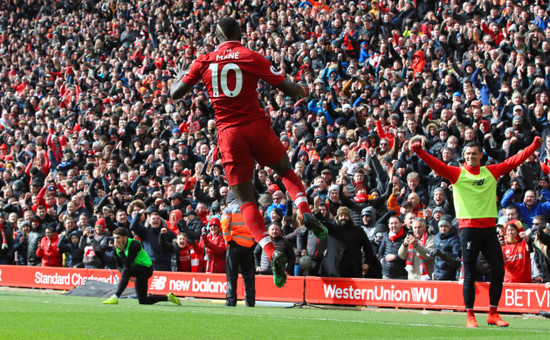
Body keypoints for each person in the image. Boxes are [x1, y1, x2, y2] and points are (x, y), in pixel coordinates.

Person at [170, 16, 328, 287]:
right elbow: (288, 89)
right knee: (285, 170)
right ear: (239, 33)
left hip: (229, 134)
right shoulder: (250, 56)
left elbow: (175, 93)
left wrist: (177, 77)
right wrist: (305, 88)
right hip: (254, 126)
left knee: (246, 202)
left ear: (216, 35)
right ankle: (305, 208)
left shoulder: (204, 60)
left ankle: (270, 251)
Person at [411, 137, 543, 328]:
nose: (471, 156)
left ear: (481, 155)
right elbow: (437, 165)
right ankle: (470, 315)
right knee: (470, 273)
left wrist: (533, 147)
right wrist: (420, 152)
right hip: (468, 230)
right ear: (464, 157)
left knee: (498, 270)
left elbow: (514, 160)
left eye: (474, 153)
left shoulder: (491, 171)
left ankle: (493, 313)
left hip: (489, 229)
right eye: (467, 154)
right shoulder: (457, 174)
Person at [103, 227, 181, 305]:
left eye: (118, 238)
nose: (116, 241)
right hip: (135, 270)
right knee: (143, 301)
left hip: (146, 269)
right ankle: (168, 297)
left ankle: (115, 297)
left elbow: (127, 264)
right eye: (114, 238)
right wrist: (125, 274)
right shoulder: (115, 248)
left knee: (126, 270)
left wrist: (121, 251)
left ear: (125, 237)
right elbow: (119, 265)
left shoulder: (134, 244)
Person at [222, 190, 256, 307]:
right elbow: (257, 226)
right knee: (249, 276)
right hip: (248, 246)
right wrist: (253, 242)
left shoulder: (229, 210)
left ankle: (231, 301)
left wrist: (228, 239)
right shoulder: (250, 209)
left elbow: (225, 225)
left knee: (232, 276)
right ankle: (250, 302)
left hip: (234, 245)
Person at [320, 206, 375, 278]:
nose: (343, 217)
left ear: (349, 217)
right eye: (341, 215)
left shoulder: (358, 231)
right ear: (337, 217)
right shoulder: (332, 229)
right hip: (332, 272)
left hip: (352, 272)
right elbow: (321, 222)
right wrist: (317, 212)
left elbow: (368, 248)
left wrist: (367, 263)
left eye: (345, 216)